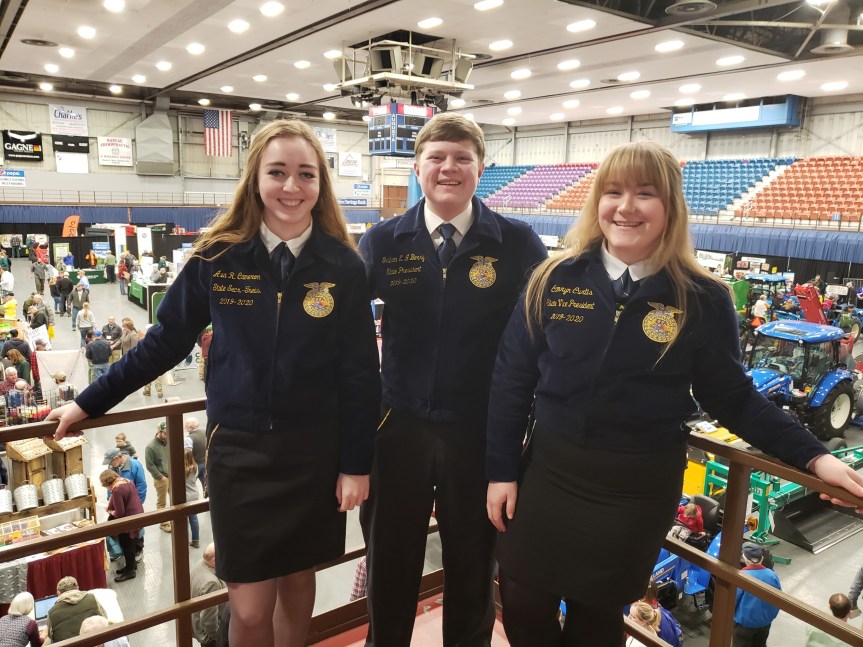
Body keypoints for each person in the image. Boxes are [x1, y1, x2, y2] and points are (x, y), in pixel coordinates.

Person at [484, 141, 863, 647]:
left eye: (646, 193)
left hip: (634, 491)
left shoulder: (701, 298)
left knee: (596, 622)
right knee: (523, 602)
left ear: (670, 208)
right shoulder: (552, 279)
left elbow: (735, 398)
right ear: (597, 200)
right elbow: (511, 381)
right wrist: (501, 470)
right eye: (613, 191)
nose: (626, 207)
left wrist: (816, 458)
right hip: (549, 475)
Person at [46, 118, 381, 647]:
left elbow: (362, 374)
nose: (291, 187)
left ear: (321, 184)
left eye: (305, 174)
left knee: (299, 588)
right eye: (278, 172)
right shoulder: (218, 256)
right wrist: (89, 401)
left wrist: (355, 464)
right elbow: (163, 341)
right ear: (255, 179)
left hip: (315, 455)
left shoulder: (343, 265)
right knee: (249, 609)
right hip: (240, 456)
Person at [357, 112, 547, 647]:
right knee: (389, 567)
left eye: (462, 157)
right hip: (396, 430)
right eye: (436, 157)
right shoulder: (383, 241)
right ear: (416, 167)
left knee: (472, 568)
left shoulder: (517, 243)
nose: (449, 167)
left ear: (481, 168)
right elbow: (342, 334)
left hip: (479, 434)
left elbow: (543, 338)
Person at [100, 469, 144, 582]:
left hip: (128, 520)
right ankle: (131, 565)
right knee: (133, 542)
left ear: (107, 482)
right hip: (138, 515)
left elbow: (119, 512)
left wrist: (110, 511)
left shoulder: (117, 490)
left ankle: (130, 571)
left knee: (127, 544)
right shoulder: (127, 481)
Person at [733, 543, 781, 646]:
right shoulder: (772, 575)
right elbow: (779, 599)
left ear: (744, 558)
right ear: (762, 558)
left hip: (745, 624)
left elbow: (733, 600)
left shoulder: (742, 576)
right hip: (765, 623)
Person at [104, 447, 146, 558]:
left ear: (118, 457)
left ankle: (138, 549)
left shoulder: (135, 465)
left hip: (132, 507)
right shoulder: (112, 467)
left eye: (111, 461)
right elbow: (111, 487)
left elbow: (141, 486)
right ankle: (124, 550)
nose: (111, 464)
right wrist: (110, 502)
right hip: (120, 507)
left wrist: (137, 504)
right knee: (125, 533)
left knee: (137, 529)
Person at [45, 575, 106, 643]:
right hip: (95, 642)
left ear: (58, 593)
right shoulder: (92, 598)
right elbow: (104, 618)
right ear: (77, 588)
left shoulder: (51, 612)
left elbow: (51, 637)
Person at [191, 543, 228, 647]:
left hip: (197, 626)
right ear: (214, 560)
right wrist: (217, 637)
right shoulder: (212, 583)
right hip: (210, 639)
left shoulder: (200, 565)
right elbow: (209, 620)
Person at [145, 422, 172, 534]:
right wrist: (160, 477)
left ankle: (173, 517)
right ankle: (164, 523)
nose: (168, 436)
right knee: (162, 503)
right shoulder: (151, 447)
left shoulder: (168, 441)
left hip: (172, 476)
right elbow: (149, 465)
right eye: (166, 434)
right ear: (159, 432)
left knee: (175, 499)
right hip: (162, 479)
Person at [184, 445, 202, 548]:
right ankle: (196, 541)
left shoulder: (181, 470)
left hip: (185, 496)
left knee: (184, 520)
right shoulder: (195, 467)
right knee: (193, 518)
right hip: (195, 494)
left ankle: (183, 541)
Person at [185, 416, 207, 493]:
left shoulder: (189, 438)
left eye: (186, 425)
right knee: (206, 485)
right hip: (207, 462)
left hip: (197, 465)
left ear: (191, 427)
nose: (185, 426)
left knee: (190, 486)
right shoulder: (205, 431)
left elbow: (188, 454)